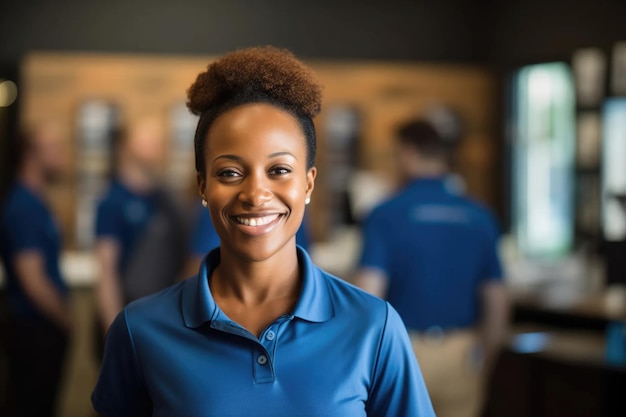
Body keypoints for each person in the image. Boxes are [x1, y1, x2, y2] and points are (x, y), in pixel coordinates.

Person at [92, 46, 435, 417]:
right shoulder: (140, 330)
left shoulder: (374, 327)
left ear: (308, 184)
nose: (255, 194)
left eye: (279, 170)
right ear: (203, 187)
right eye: (229, 173)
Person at [355, 119, 509, 417]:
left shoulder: (385, 214)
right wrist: (483, 358)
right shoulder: (480, 216)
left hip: (403, 353)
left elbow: (368, 296)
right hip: (462, 352)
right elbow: (497, 300)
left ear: (407, 152)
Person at [0, 124, 72, 417]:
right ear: (31, 155)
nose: (63, 155)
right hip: (33, 329)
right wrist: (65, 319)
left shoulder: (37, 201)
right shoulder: (23, 206)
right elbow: (33, 280)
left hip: (43, 328)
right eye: (54, 148)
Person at [94, 117, 187, 335]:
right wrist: (114, 330)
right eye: (148, 139)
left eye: (159, 140)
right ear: (126, 146)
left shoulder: (165, 198)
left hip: (162, 317)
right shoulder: (112, 201)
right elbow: (107, 272)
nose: (158, 145)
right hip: (128, 312)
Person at [185, 200, 312, 277]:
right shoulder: (216, 211)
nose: (256, 198)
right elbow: (197, 267)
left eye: (279, 171)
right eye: (230, 174)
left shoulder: (293, 215)